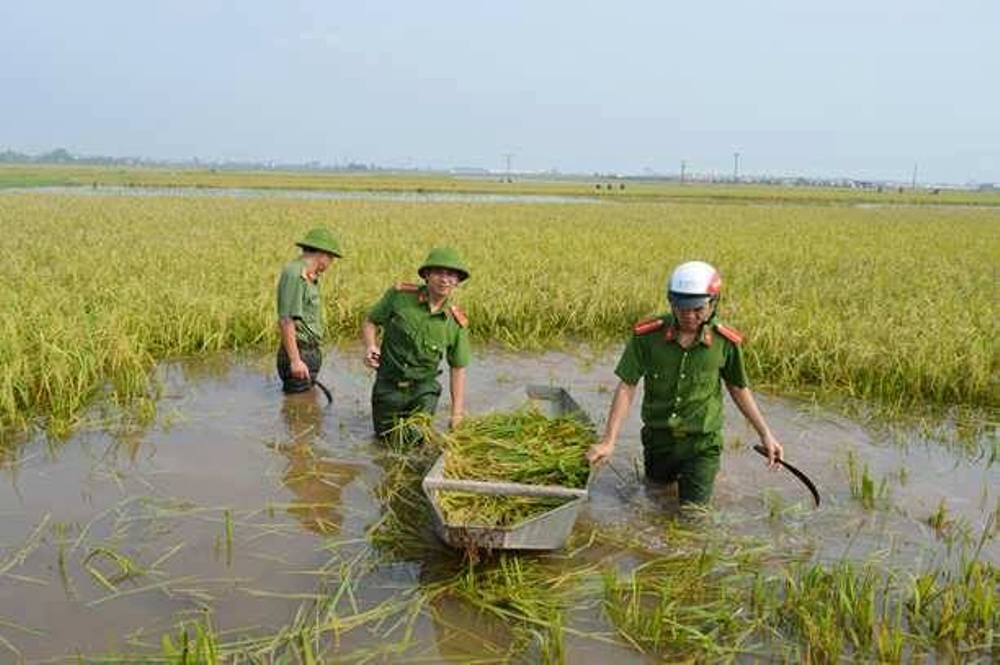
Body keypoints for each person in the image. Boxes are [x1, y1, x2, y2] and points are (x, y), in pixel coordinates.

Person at [586, 260, 783, 505]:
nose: (689, 316)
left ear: (713, 302)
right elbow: (627, 386)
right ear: (671, 302)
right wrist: (609, 441)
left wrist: (765, 434)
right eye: (681, 308)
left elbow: (738, 388)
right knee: (656, 497)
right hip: (658, 440)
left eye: (697, 309)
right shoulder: (647, 337)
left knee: (694, 516)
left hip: (701, 444)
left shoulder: (725, 342)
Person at [362, 247, 471, 439]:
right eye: (438, 273)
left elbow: (458, 368)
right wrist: (371, 346)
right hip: (388, 386)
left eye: (451, 275)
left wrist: (457, 414)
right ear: (427, 275)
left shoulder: (455, 322)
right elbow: (371, 321)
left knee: (416, 440)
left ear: (457, 282)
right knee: (384, 442)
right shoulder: (400, 297)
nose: (444, 279)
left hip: (423, 390)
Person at [275, 227, 343, 394]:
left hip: (308, 352)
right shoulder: (295, 273)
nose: (330, 264)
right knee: (298, 413)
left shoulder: (309, 276)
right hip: (300, 352)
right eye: (331, 258)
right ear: (322, 254)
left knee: (308, 410)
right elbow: (286, 320)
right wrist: (296, 360)